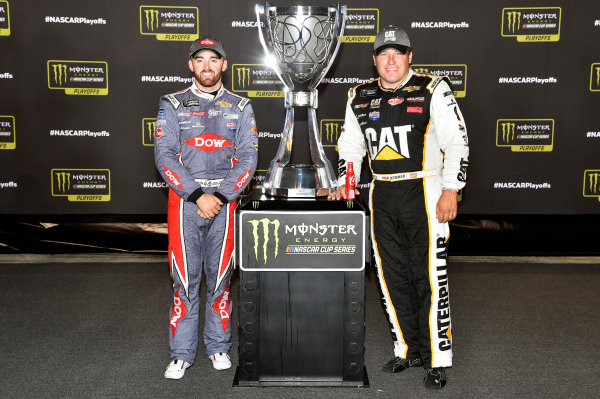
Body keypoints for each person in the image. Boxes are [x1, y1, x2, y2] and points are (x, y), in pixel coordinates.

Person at [328, 26, 469, 389]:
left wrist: (451, 189)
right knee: (391, 277)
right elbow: (351, 146)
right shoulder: (359, 95)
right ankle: (407, 349)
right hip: (382, 193)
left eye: (398, 52)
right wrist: (346, 184)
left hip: (425, 188)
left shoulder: (433, 88)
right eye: (383, 53)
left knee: (429, 276)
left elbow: (457, 143)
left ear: (410, 56)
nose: (391, 60)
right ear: (374, 59)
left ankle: (437, 358)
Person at [154, 35, 258, 379]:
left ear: (224, 65)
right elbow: (164, 155)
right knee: (185, 280)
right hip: (186, 202)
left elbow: (248, 158)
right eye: (201, 60)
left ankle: (217, 347)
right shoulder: (172, 103)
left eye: (214, 60)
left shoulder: (241, 106)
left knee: (220, 280)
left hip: (225, 204)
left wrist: (223, 196)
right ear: (191, 65)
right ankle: (181, 353)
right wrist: (199, 196)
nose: (207, 66)